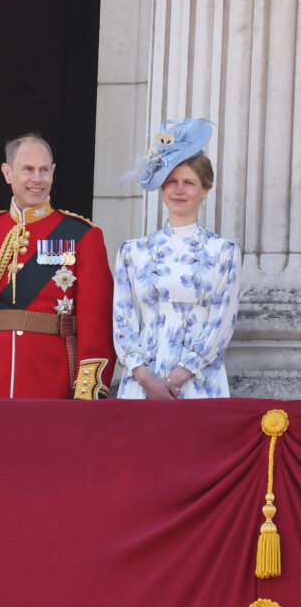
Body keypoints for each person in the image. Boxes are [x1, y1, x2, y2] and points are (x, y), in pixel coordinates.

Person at [0, 134, 114, 399]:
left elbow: (96, 322)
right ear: (7, 173)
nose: (37, 179)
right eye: (28, 169)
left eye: (44, 170)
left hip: (51, 379)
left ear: (53, 173)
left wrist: (87, 393)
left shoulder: (82, 235)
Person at [114, 119, 239, 398]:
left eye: (189, 183)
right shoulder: (133, 251)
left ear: (205, 190)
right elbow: (123, 320)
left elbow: (222, 321)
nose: (179, 190)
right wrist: (146, 378)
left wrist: (179, 375)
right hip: (142, 383)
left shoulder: (224, 251)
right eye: (171, 182)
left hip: (200, 381)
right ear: (161, 187)